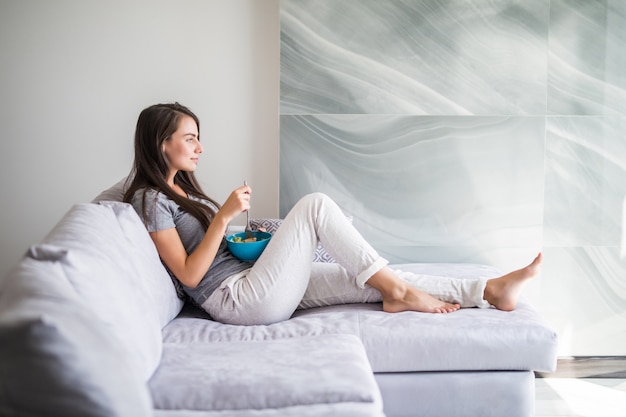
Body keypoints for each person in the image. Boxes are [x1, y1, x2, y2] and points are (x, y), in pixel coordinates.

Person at [123, 102, 543, 326]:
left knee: (373, 277)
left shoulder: (180, 189)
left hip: (253, 281)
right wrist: (222, 218)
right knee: (315, 205)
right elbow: (191, 275)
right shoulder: (149, 199)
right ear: (162, 143)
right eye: (191, 138)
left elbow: (212, 250)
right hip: (240, 300)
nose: (199, 147)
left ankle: (487, 290)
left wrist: (245, 234)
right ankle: (406, 294)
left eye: (199, 138)